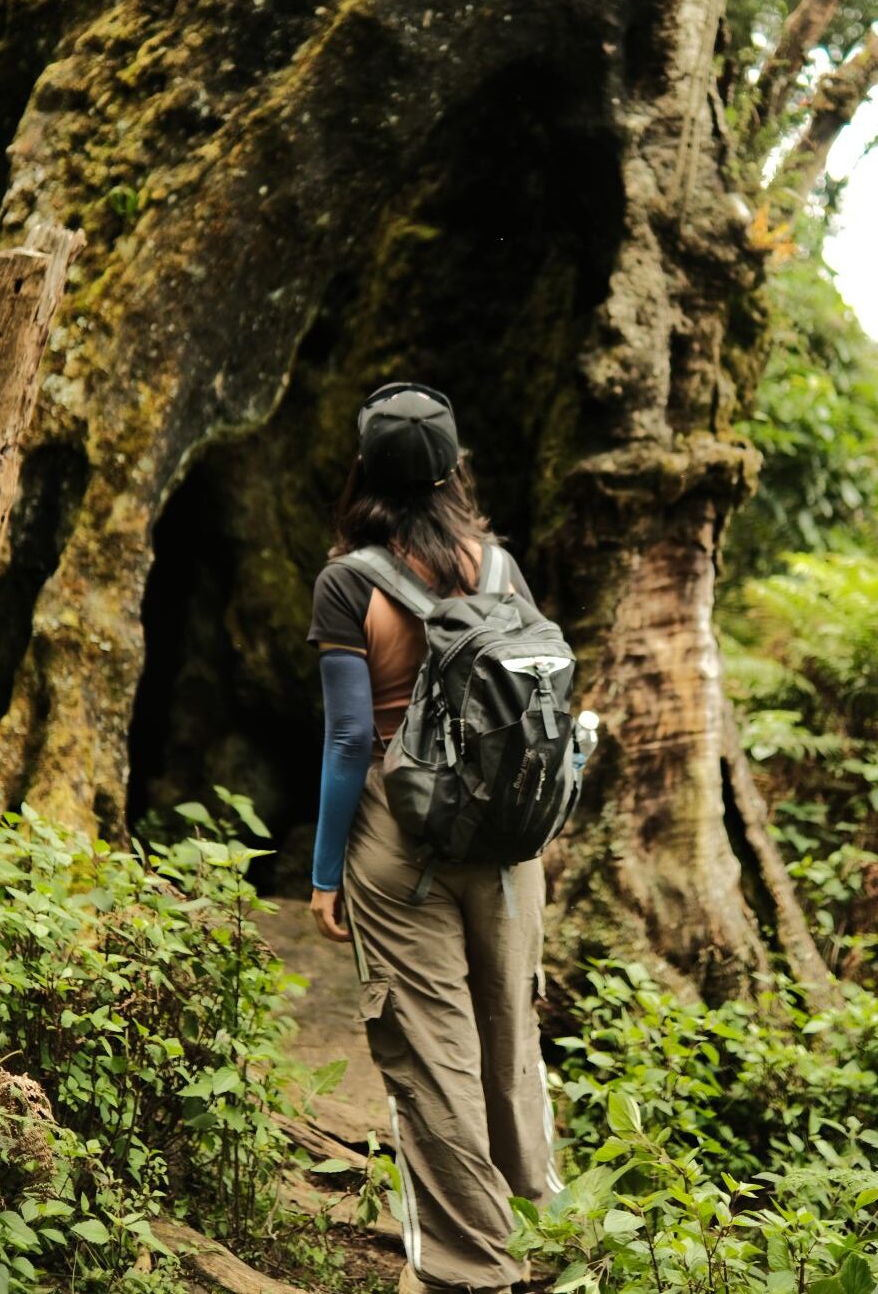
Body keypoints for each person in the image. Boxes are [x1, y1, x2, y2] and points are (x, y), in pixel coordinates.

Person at [307, 382, 562, 1294]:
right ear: (455, 469)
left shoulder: (349, 583)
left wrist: (324, 872)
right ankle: (533, 1233)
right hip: (506, 844)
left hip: (399, 839)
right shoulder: (501, 569)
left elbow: (349, 739)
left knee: (431, 1052)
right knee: (507, 1041)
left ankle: (469, 1270)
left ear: (364, 470)